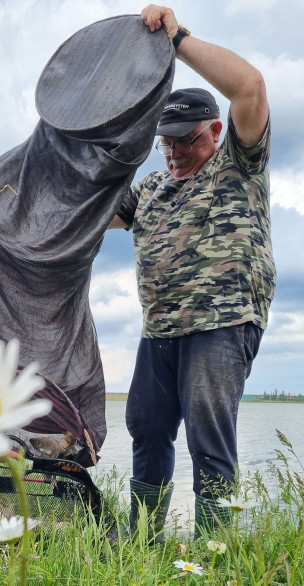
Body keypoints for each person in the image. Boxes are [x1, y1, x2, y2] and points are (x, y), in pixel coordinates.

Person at [108, 5, 275, 538]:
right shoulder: (151, 188)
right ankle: (143, 542)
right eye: (167, 141)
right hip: (160, 331)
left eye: (187, 138)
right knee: (147, 431)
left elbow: (250, 85)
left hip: (222, 325)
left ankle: (212, 554)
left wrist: (176, 39)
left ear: (215, 130)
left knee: (209, 438)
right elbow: (90, 220)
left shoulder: (237, 164)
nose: (175, 151)